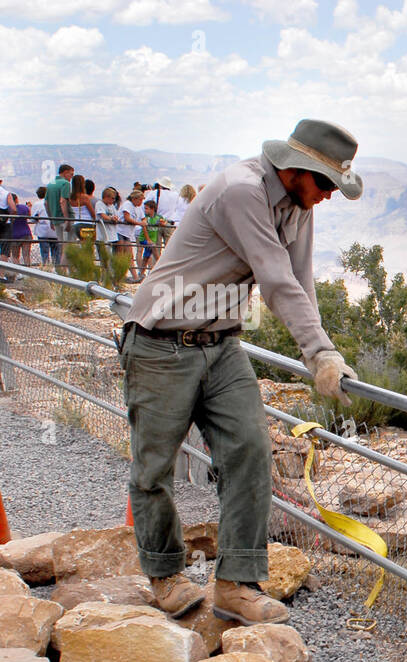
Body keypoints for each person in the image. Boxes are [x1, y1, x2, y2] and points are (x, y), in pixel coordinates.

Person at [119, 118, 364, 625]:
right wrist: (317, 352)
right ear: (297, 169)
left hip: (222, 342)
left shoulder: (299, 203)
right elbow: (274, 279)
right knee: (154, 467)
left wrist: (322, 355)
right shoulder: (241, 192)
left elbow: (299, 279)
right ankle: (165, 574)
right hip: (161, 341)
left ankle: (236, 584)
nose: (328, 196)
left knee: (250, 449)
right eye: (325, 184)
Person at [45, 163, 74, 265]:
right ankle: (64, 272)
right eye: (71, 175)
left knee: (62, 245)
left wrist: (51, 219)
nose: (71, 178)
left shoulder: (51, 184)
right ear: (65, 173)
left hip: (55, 220)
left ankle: (62, 270)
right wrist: (67, 219)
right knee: (68, 247)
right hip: (65, 219)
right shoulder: (65, 184)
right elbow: (63, 201)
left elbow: (46, 203)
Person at [94, 186, 121, 273]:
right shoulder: (99, 204)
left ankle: (111, 274)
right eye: (112, 198)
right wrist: (111, 219)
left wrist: (116, 219)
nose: (113, 201)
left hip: (112, 236)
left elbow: (116, 215)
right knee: (104, 257)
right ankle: (104, 274)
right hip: (103, 236)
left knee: (112, 257)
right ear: (106, 197)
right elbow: (102, 215)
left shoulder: (112, 206)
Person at [31, 188, 57, 266]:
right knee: (56, 252)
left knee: (45, 253)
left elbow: (33, 219)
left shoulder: (37, 204)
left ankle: (46, 269)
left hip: (43, 232)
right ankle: (58, 269)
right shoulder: (55, 203)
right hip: (55, 231)